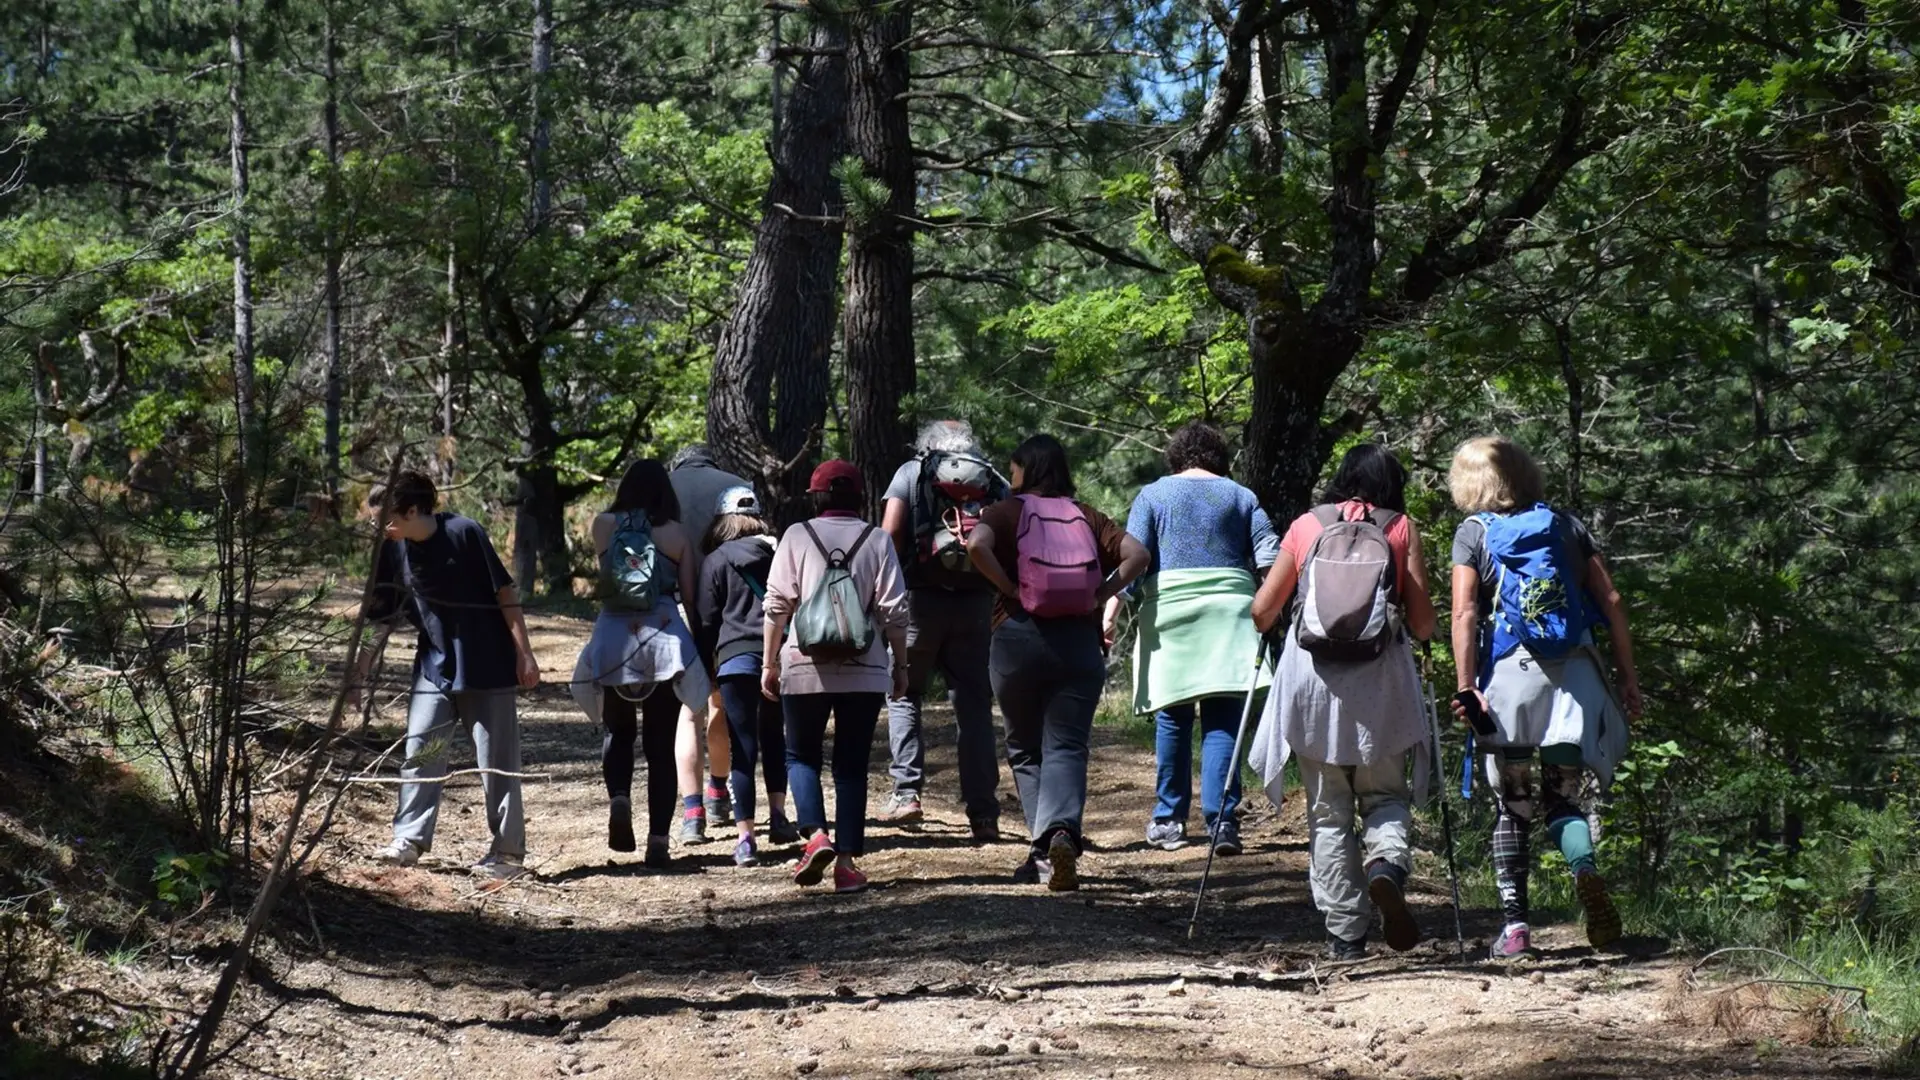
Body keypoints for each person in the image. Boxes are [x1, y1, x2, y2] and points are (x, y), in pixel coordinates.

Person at [1447, 435, 1640, 959]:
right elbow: (1612, 599)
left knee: (1513, 807)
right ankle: (1585, 872)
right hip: (1575, 677)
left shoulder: (1473, 533)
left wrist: (1466, 685)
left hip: (1512, 681)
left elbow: (1464, 612)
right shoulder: (1566, 525)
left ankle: (1515, 931)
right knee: (1561, 797)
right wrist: (1627, 677)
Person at [1247, 443, 1438, 959]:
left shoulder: (1307, 525)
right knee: (1386, 797)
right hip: (1381, 687)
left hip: (1312, 684)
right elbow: (1422, 624)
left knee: (1328, 812)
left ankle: (1345, 935)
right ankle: (1385, 868)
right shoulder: (1400, 528)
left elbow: (1263, 612)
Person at [965, 435, 1150, 890]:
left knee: (1026, 748)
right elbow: (1138, 555)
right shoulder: (1086, 515)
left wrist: (1008, 587)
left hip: (1016, 638)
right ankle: (1062, 831)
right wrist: (1102, 593)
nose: (1010, 479)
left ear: (1025, 471)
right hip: (1079, 641)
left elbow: (974, 547)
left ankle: (1043, 851)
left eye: (1013, 471)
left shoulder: (1005, 512)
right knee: (1067, 744)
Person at [353, 470, 540, 879]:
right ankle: (409, 839)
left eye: (385, 519)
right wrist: (359, 673)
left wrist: (524, 654)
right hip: (433, 667)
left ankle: (507, 855)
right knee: (420, 752)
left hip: (487, 663)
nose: (378, 528)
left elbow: (505, 594)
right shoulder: (393, 549)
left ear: (414, 511)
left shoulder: (464, 533)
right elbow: (381, 616)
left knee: (497, 762)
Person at [1105, 420, 1277, 855]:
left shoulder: (1153, 495)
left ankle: (1168, 820)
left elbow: (1135, 559)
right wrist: (1275, 611)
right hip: (1230, 616)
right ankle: (1223, 823)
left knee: (1174, 718)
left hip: (1171, 616)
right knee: (1222, 721)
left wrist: (1109, 610)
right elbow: (1270, 558)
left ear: (1177, 456)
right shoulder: (1241, 496)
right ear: (1218, 457)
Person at [760, 460, 910, 893]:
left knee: (800, 756)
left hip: (804, 666)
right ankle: (845, 865)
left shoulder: (796, 536)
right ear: (859, 496)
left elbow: (776, 606)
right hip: (864, 670)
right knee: (851, 766)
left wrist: (769, 663)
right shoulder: (878, 539)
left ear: (817, 496)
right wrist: (900, 666)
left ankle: (815, 835)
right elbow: (895, 612)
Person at [571, 459, 709, 869]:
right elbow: (689, 595)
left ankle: (619, 799)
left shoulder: (602, 525)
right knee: (661, 745)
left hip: (613, 638)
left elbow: (606, 577)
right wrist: (702, 645)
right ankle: (659, 841)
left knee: (618, 730)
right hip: (663, 641)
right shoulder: (676, 533)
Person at [877, 419, 1009, 839]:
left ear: (927, 445)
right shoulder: (992, 478)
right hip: (975, 603)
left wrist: (883, 588)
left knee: (904, 692)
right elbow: (1009, 535)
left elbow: (891, 534)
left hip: (919, 600)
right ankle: (984, 812)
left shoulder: (910, 472)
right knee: (972, 705)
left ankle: (907, 793)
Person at [695, 485, 801, 866]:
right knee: (775, 737)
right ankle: (779, 817)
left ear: (725, 521)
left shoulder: (716, 560)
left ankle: (745, 839)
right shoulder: (779, 555)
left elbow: (707, 619)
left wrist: (708, 663)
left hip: (735, 661)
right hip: (781, 657)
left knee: (743, 748)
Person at [669, 445, 749, 841]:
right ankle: (718, 790)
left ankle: (692, 813)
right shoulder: (737, 486)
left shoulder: (665, 488)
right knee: (721, 702)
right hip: (730, 608)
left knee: (688, 710)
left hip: (678, 611)